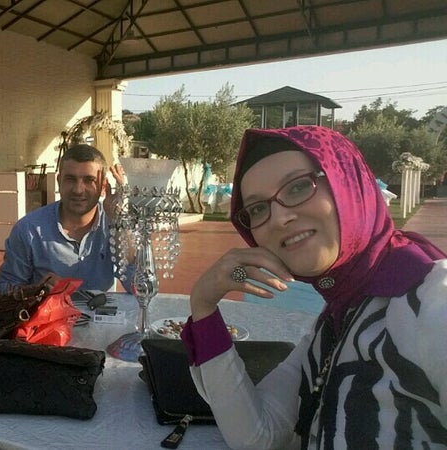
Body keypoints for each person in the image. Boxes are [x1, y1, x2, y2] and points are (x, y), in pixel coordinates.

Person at [182, 126, 447, 449]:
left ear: (347, 184)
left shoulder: (431, 301)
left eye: (297, 187)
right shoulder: (335, 321)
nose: (278, 218)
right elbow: (256, 435)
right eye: (258, 208)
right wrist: (203, 305)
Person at [0, 144, 125, 294]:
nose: (78, 190)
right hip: (48, 310)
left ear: (103, 187)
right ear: (59, 181)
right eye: (70, 179)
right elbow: (3, 289)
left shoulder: (114, 224)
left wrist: (118, 221)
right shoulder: (28, 230)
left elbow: (138, 286)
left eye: (89, 180)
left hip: (104, 310)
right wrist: (38, 290)